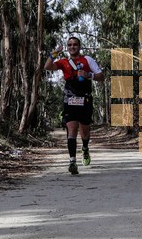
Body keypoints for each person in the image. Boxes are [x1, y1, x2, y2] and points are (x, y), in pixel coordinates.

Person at [44, 36, 104, 174]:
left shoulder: (87, 60)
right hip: (70, 99)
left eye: (75, 44)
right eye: (69, 45)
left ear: (79, 46)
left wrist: (89, 75)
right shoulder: (64, 62)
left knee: (84, 131)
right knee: (72, 130)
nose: (72, 47)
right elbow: (47, 66)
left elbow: (101, 76)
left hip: (85, 100)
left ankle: (85, 148)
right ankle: (72, 162)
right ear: (67, 47)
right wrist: (55, 53)